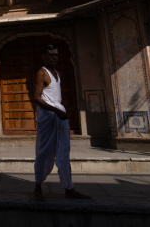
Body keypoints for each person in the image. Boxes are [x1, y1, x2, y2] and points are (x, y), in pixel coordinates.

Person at [32, 45, 90, 202]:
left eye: (56, 55)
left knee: (64, 152)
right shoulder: (41, 73)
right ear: (44, 57)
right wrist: (55, 111)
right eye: (50, 55)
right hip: (48, 117)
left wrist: (59, 111)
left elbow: (54, 96)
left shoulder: (57, 73)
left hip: (59, 116)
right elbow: (37, 97)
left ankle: (68, 188)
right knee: (44, 151)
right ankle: (37, 188)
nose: (54, 57)